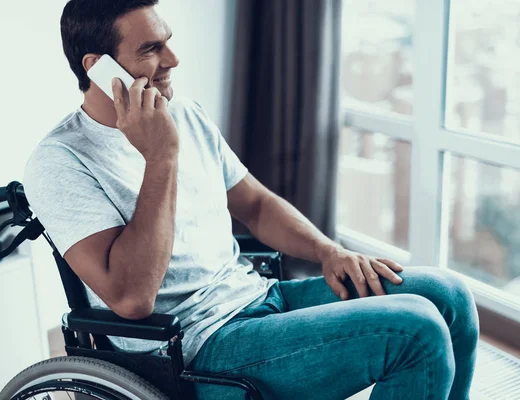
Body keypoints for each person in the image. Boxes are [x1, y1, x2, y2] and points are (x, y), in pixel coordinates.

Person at [23, 1, 479, 399]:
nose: (173, 59)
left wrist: (329, 252)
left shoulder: (184, 113)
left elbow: (256, 205)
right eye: (150, 50)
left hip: (257, 297)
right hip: (193, 347)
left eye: (167, 42)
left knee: (450, 296)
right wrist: (160, 157)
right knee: (413, 329)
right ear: (98, 66)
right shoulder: (61, 161)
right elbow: (131, 298)